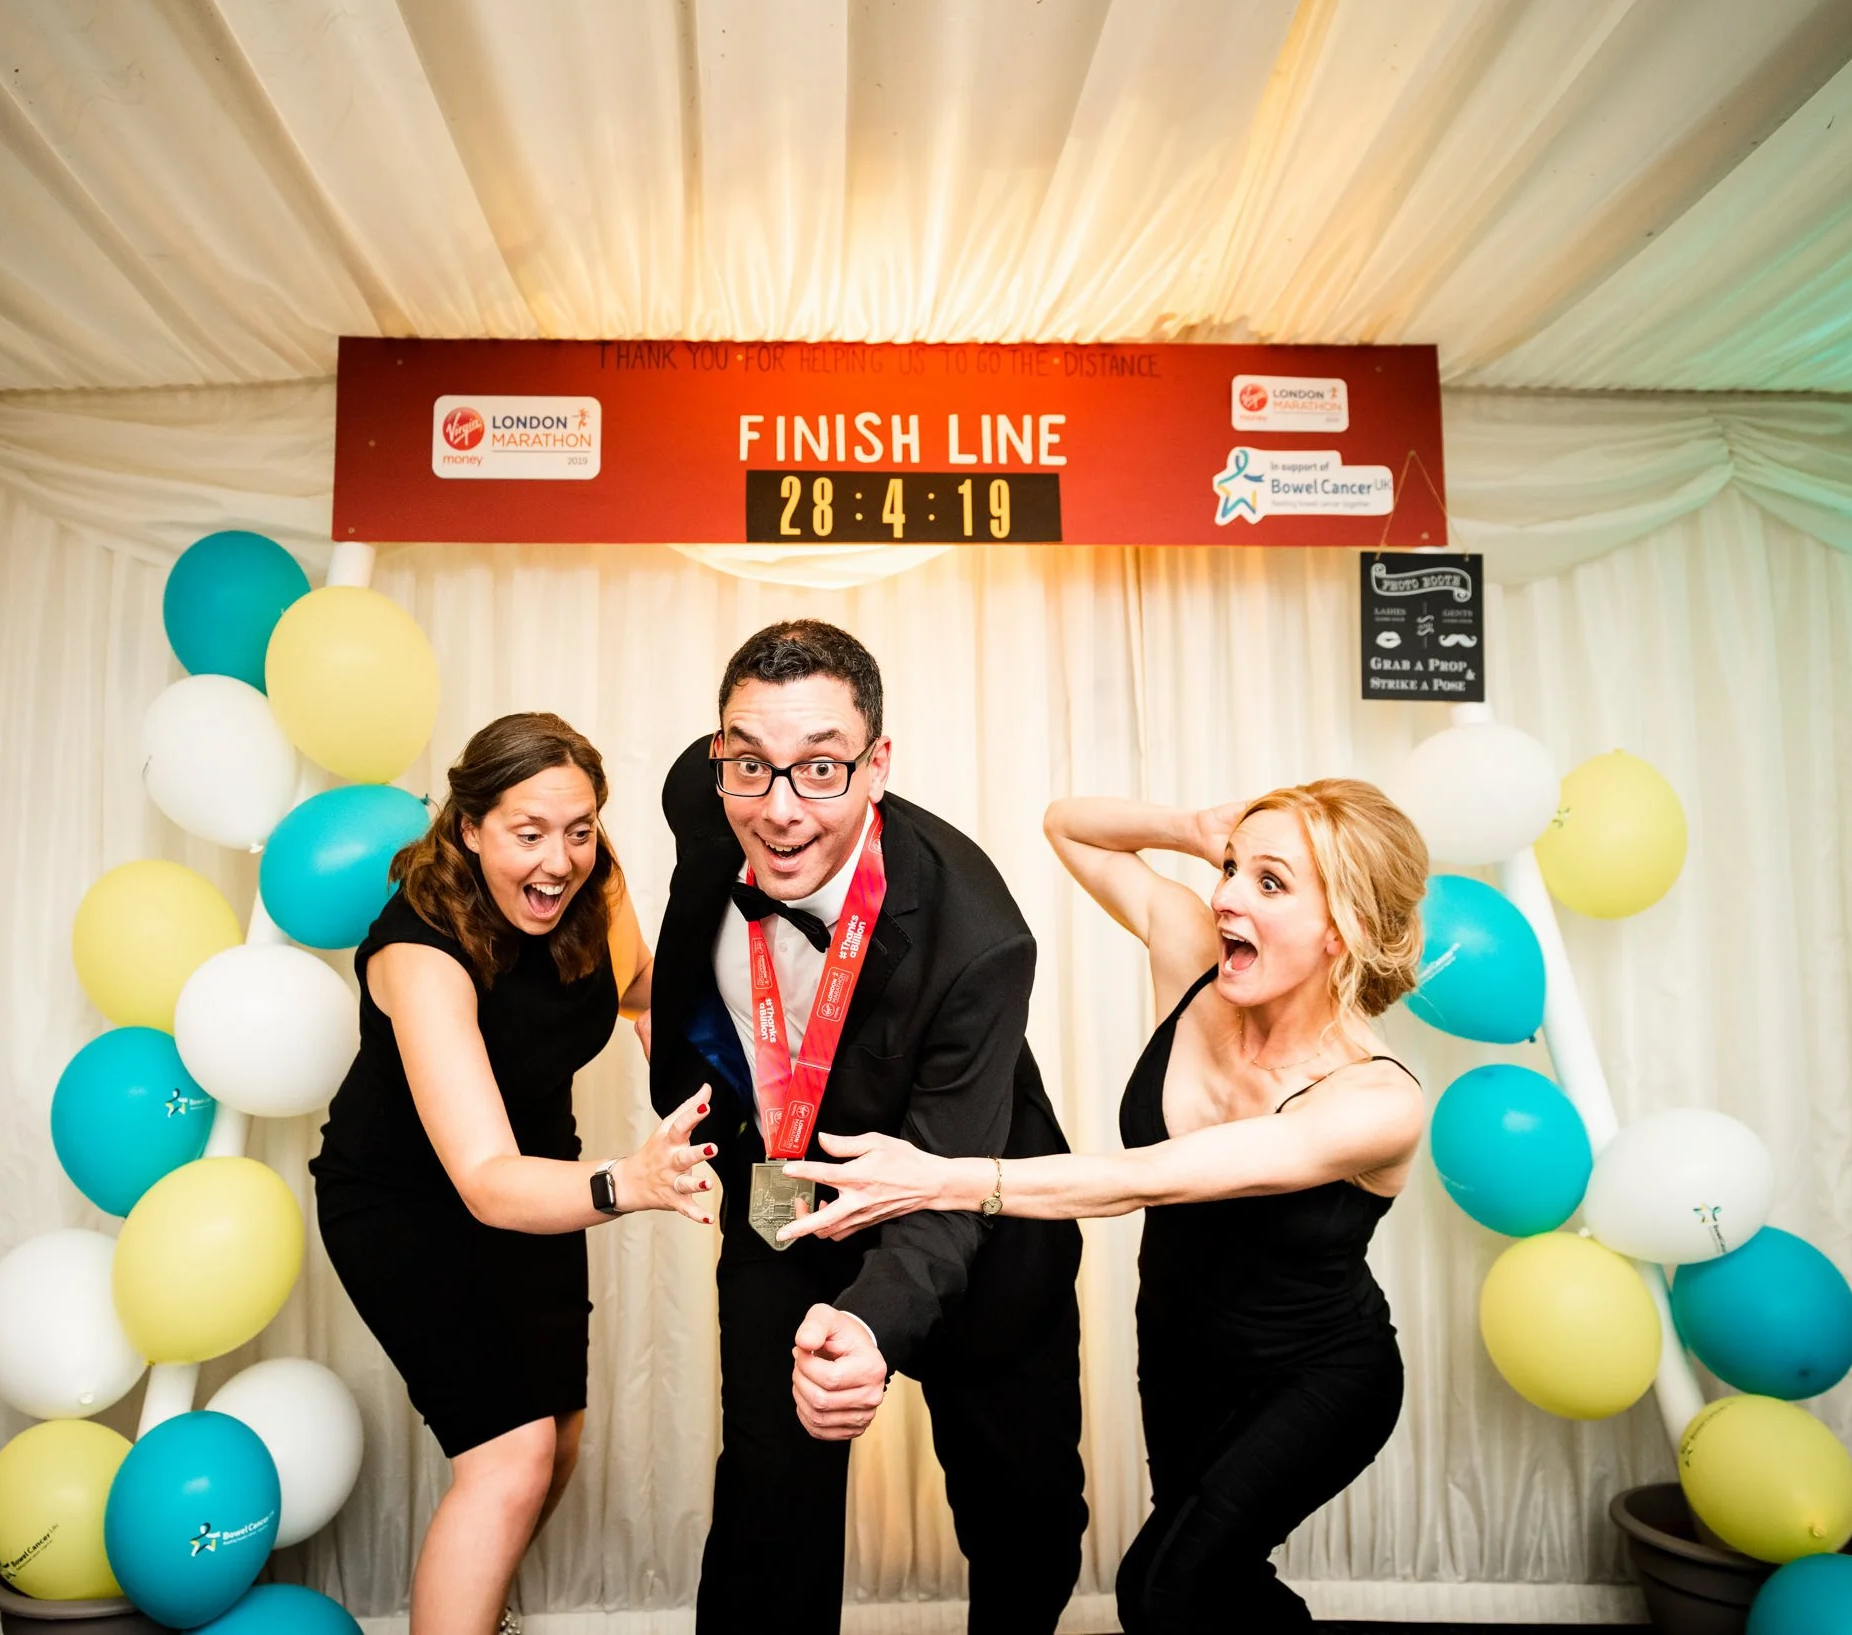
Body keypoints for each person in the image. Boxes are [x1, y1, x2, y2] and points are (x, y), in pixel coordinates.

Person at [780, 781, 1431, 1632]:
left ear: (1340, 928)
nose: (1226, 894)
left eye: (1270, 884)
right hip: (1179, 1355)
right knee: (1216, 1584)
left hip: (1314, 1376)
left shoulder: (1374, 1101)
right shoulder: (1198, 953)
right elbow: (1069, 828)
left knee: (1160, 1589)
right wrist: (1192, 828)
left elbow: (1149, 1179)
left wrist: (939, 1177)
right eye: (1232, 869)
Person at [646, 620, 1087, 1635]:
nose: (781, 810)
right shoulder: (708, 796)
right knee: (768, 1510)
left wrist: (870, 1327)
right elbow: (688, 953)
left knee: (1023, 1522)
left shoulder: (978, 939)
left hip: (972, 1215)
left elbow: (943, 1182)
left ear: (877, 764)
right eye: (750, 766)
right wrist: (690, 1087)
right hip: (786, 1197)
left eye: (822, 770)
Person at [311, 712, 716, 1635]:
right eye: (528, 834)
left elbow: (645, 997)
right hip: (409, 1205)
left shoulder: (594, 885)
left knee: (556, 1444)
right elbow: (483, 1177)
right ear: (468, 827)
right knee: (509, 1455)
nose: (559, 860)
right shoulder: (418, 949)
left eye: (579, 830)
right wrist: (632, 1183)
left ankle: (474, 1611)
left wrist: (707, 1113)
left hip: (541, 1188)